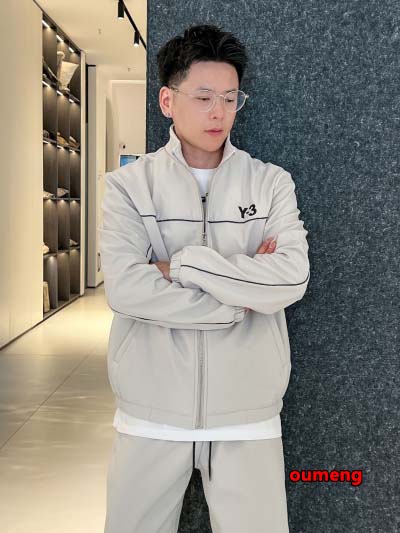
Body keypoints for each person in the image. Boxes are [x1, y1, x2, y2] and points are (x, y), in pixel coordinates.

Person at [100, 23, 310, 533]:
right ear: (167, 100)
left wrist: (181, 266)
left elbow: (290, 278)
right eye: (203, 97)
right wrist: (242, 298)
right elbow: (127, 288)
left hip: (248, 412)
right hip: (150, 409)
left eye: (230, 98)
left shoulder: (270, 182)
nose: (219, 111)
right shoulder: (128, 187)